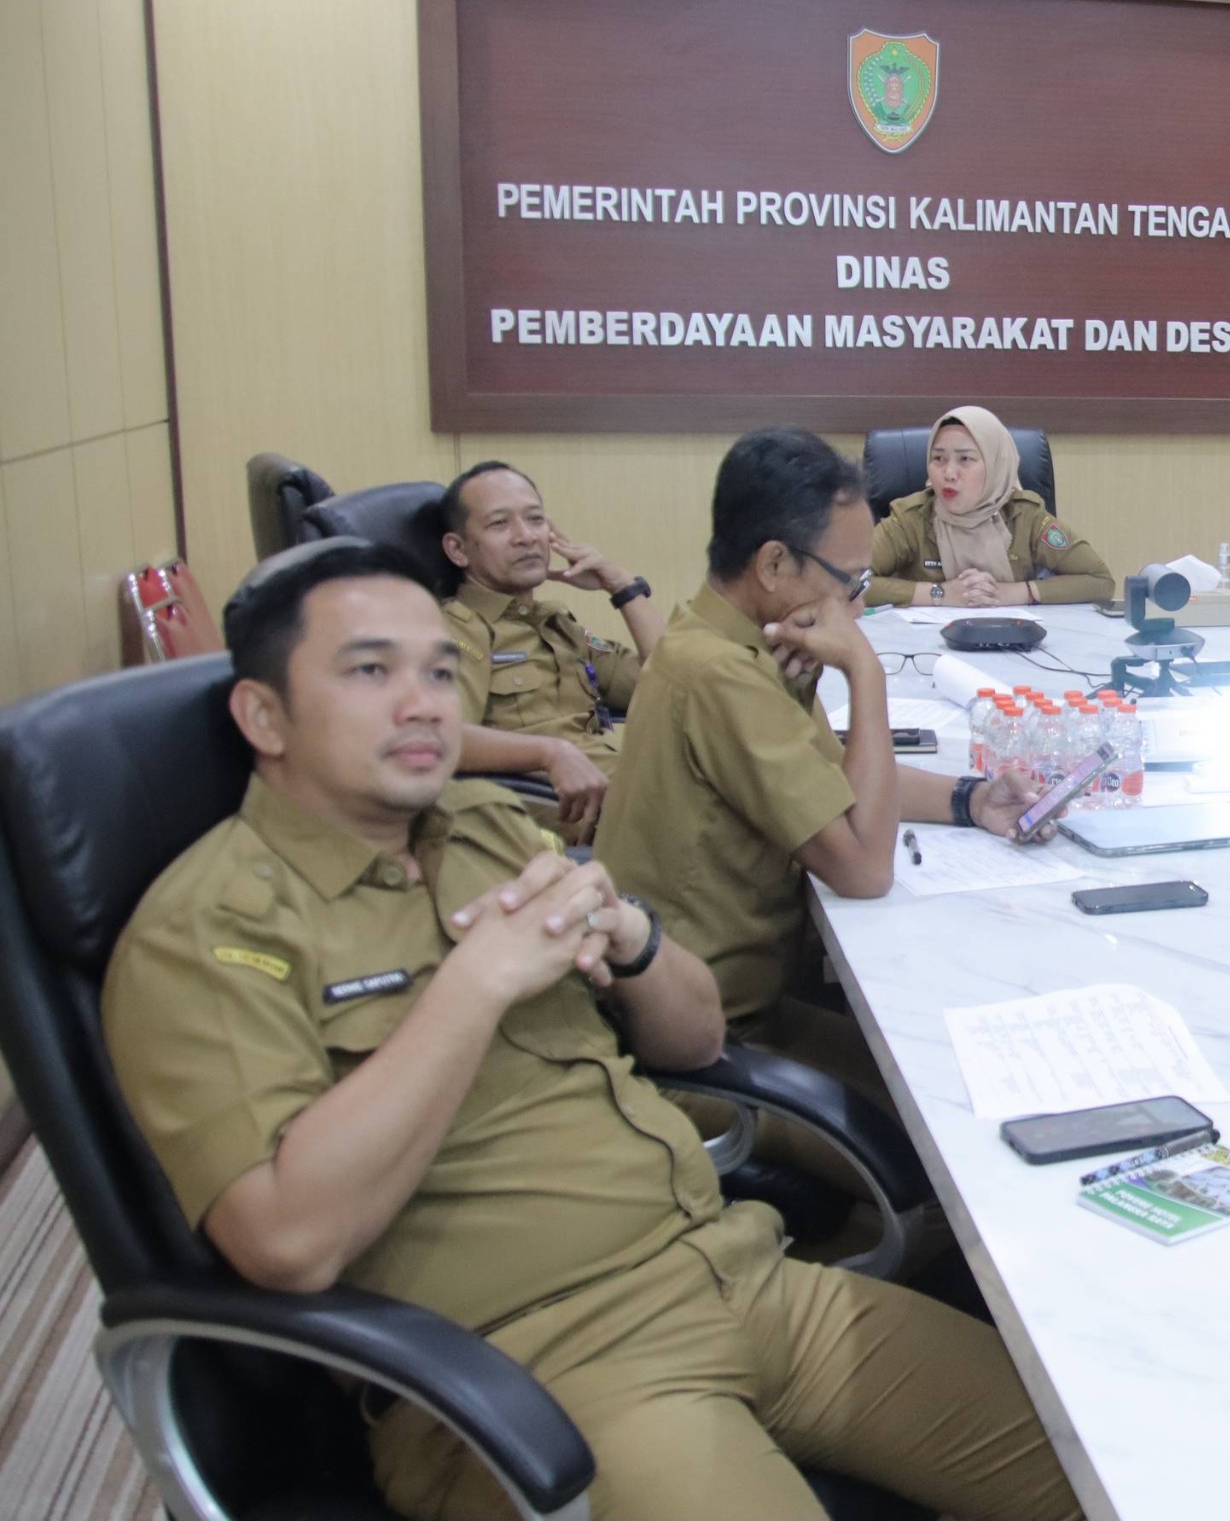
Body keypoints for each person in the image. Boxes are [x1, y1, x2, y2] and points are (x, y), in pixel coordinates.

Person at [100, 539, 1079, 1521]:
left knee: (1111, 1474)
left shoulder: (484, 827)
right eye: (370, 671)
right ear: (263, 715)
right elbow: (287, 1244)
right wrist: (473, 985)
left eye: (438, 672)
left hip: (736, 1273)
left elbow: (696, 1044)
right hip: (541, 1367)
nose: (423, 703)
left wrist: (637, 940)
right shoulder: (214, 929)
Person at [597, 427, 1048, 1096]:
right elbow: (865, 869)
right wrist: (866, 672)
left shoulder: (722, 634)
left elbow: (834, 775)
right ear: (774, 564)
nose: (858, 606)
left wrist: (971, 799)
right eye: (851, 581)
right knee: (955, 1095)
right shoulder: (723, 676)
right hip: (709, 1044)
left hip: (743, 999)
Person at [438, 460, 664, 842]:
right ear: (458, 550)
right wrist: (549, 752)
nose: (526, 536)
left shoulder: (555, 624)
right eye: (500, 524)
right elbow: (441, 736)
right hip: (570, 815)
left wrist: (622, 587)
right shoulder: (458, 630)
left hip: (631, 789)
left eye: (535, 519)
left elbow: (675, 684)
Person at [867, 407, 1113, 607]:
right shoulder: (911, 518)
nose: (949, 473)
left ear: (996, 465)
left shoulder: (1026, 516)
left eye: (965, 459)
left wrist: (1015, 593)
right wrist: (939, 593)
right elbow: (850, 584)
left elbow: (1100, 581)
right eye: (938, 459)